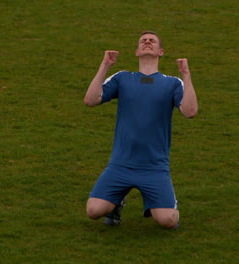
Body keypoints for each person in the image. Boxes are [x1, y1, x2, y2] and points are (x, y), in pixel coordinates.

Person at [84, 31, 198, 229]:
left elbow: (190, 111)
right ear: (137, 52)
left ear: (160, 52)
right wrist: (105, 66)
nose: (147, 41)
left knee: (168, 221)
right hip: (120, 165)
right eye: (143, 40)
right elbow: (91, 100)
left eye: (152, 41)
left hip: (154, 167)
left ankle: (168, 205)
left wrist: (186, 76)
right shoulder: (122, 78)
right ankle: (116, 204)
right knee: (93, 211)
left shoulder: (172, 83)